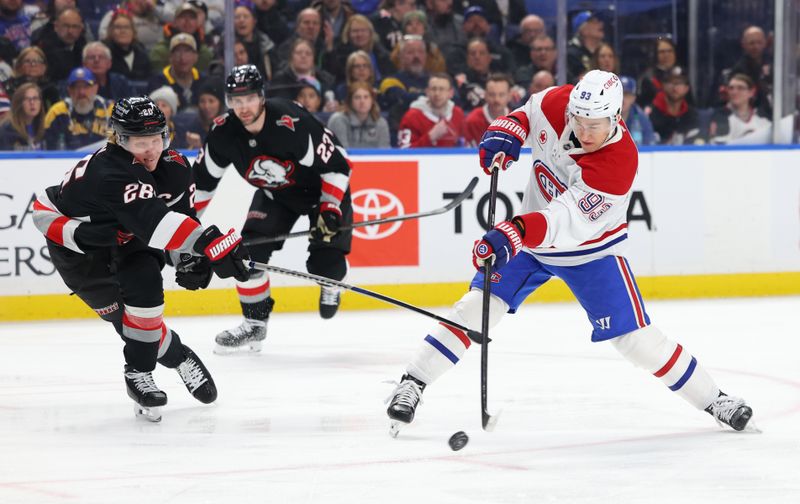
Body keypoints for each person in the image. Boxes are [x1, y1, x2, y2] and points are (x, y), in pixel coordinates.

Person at [384, 69, 754, 437]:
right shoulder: (557, 102)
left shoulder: (618, 163)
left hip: (590, 252)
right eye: (579, 121)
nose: (585, 132)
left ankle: (714, 399)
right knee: (475, 309)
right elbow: (530, 111)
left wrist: (514, 232)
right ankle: (412, 382)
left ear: (616, 118)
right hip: (530, 244)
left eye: (595, 125)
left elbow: (564, 220)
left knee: (637, 342)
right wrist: (511, 127)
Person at [31, 96, 250, 422]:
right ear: (119, 139)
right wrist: (209, 244)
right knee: (126, 322)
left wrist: (191, 258)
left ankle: (138, 374)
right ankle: (179, 355)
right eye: (138, 142)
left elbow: (179, 224)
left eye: (155, 140)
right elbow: (156, 222)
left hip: (129, 236)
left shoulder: (175, 167)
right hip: (78, 243)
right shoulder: (111, 171)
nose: (149, 150)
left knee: (146, 293)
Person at [193, 64, 354, 353]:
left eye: (249, 98)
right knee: (247, 254)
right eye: (236, 101)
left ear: (262, 97)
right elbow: (201, 187)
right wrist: (184, 229)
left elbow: (338, 166)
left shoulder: (292, 122)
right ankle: (255, 324)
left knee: (324, 266)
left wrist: (330, 208)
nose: (243, 107)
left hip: (323, 191)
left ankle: (331, 283)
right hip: (275, 194)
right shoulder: (223, 133)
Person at [43, 67, 113, 150]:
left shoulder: (110, 110)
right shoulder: (57, 112)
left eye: (86, 87)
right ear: (69, 90)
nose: (81, 92)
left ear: (95, 88)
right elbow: (50, 149)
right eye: (76, 87)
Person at [397, 72, 463, 148]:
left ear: (451, 93)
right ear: (427, 92)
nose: (437, 93)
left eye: (442, 89)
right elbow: (404, 151)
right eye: (433, 89)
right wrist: (430, 137)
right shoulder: (412, 116)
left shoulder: (458, 113)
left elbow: (466, 145)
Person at [707, 73, 771, 145]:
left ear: (751, 92)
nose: (734, 92)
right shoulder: (718, 117)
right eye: (731, 88)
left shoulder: (763, 118)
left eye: (740, 88)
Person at [327, 81, 390, 148]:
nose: (362, 101)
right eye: (357, 97)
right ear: (350, 101)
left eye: (366, 97)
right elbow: (340, 153)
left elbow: (384, 153)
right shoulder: (338, 120)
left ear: (372, 100)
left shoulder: (381, 123)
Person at [463, 73, 512, 147]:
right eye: (492, 95)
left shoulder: (518, 121)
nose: (496, 99)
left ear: (509, 96)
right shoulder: (472, 120)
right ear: (485, 95)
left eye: (501, 94)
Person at [102, 9, 152, 81]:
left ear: (133, 31)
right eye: (118, 27)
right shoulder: (103, 52)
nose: (123, 31)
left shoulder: (141, 52)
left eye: (127, 27)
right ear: (111, 31)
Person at [0, 82, 45, 150]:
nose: (32, 103)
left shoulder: (42, 128)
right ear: (19, 103)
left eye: (35, 98)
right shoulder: (8, 131)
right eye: (27, 99)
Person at [619, 75, 656, 146]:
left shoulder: (641, 118)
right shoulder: (603, 116)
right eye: (619, 94)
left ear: (633, 98)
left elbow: (649, 144)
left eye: (626, 94)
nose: (622, 98)